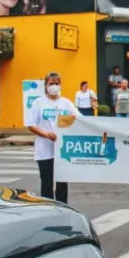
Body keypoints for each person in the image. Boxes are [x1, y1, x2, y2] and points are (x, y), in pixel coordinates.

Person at [25, 72, 79, 204]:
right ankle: (47, 207)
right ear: (46, 85)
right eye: (51, 83)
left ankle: (62, 207)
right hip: (44, 151)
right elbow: (31, 125)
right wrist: (46, 134)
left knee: (61, 182)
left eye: (57, 83)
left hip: (61, 150)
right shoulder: (38, 103)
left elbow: (80, 118)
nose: (54, 86)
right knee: (47, 181)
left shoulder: (66, 103)